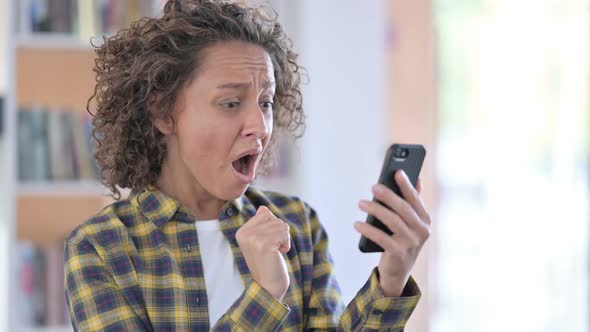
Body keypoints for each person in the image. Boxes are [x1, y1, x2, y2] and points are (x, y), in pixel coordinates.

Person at [64, 0, 432, 330]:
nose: (259, 126)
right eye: (230, 103)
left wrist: (391, 279)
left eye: (266, 102)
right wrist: (266, 297)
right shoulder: (101, 247)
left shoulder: (299, 225)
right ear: (162, 112)